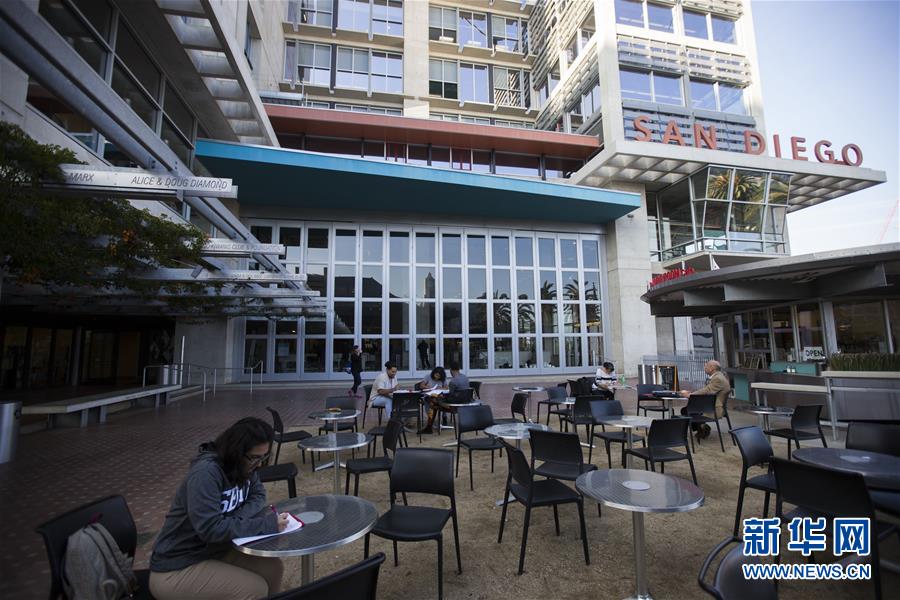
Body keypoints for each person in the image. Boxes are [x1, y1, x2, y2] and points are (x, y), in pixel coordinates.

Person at [149, 417, 287, 600]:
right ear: (236, 451)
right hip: (177, 565)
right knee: (253, 589)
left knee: (273, 568)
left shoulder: (246, 467)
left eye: (264, 457)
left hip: (215, 551)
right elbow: (211, 528)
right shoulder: (206, 473)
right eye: (255, 457)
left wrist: (236, 518)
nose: (259, 464)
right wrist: (266, 525)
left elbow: (258, 495)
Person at [679, 359, 731, 438]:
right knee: (686, 409)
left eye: (706, 365)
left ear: (712, 368)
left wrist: (690, 395)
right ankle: (702, 427)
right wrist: (692, 393)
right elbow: (707, 390)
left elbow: (707, 391)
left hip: (714, 408)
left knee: (687, 410)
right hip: (710, 405)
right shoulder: (717, 377)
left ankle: (702, 428)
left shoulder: (718, 378)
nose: (704, 367)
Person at [416, 367, 448, 433]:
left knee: (439, 401)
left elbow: (446, 388)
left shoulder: (443, 379)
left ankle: (430, 425)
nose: (437, 377)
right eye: (436, 375)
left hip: (438, 396)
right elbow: (421, 386)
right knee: (432, 403)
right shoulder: (428, 376)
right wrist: (429, 387)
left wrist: (441, 388)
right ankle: (430, 424)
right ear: (433, 373)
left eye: (439, 376)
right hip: (428, 396)